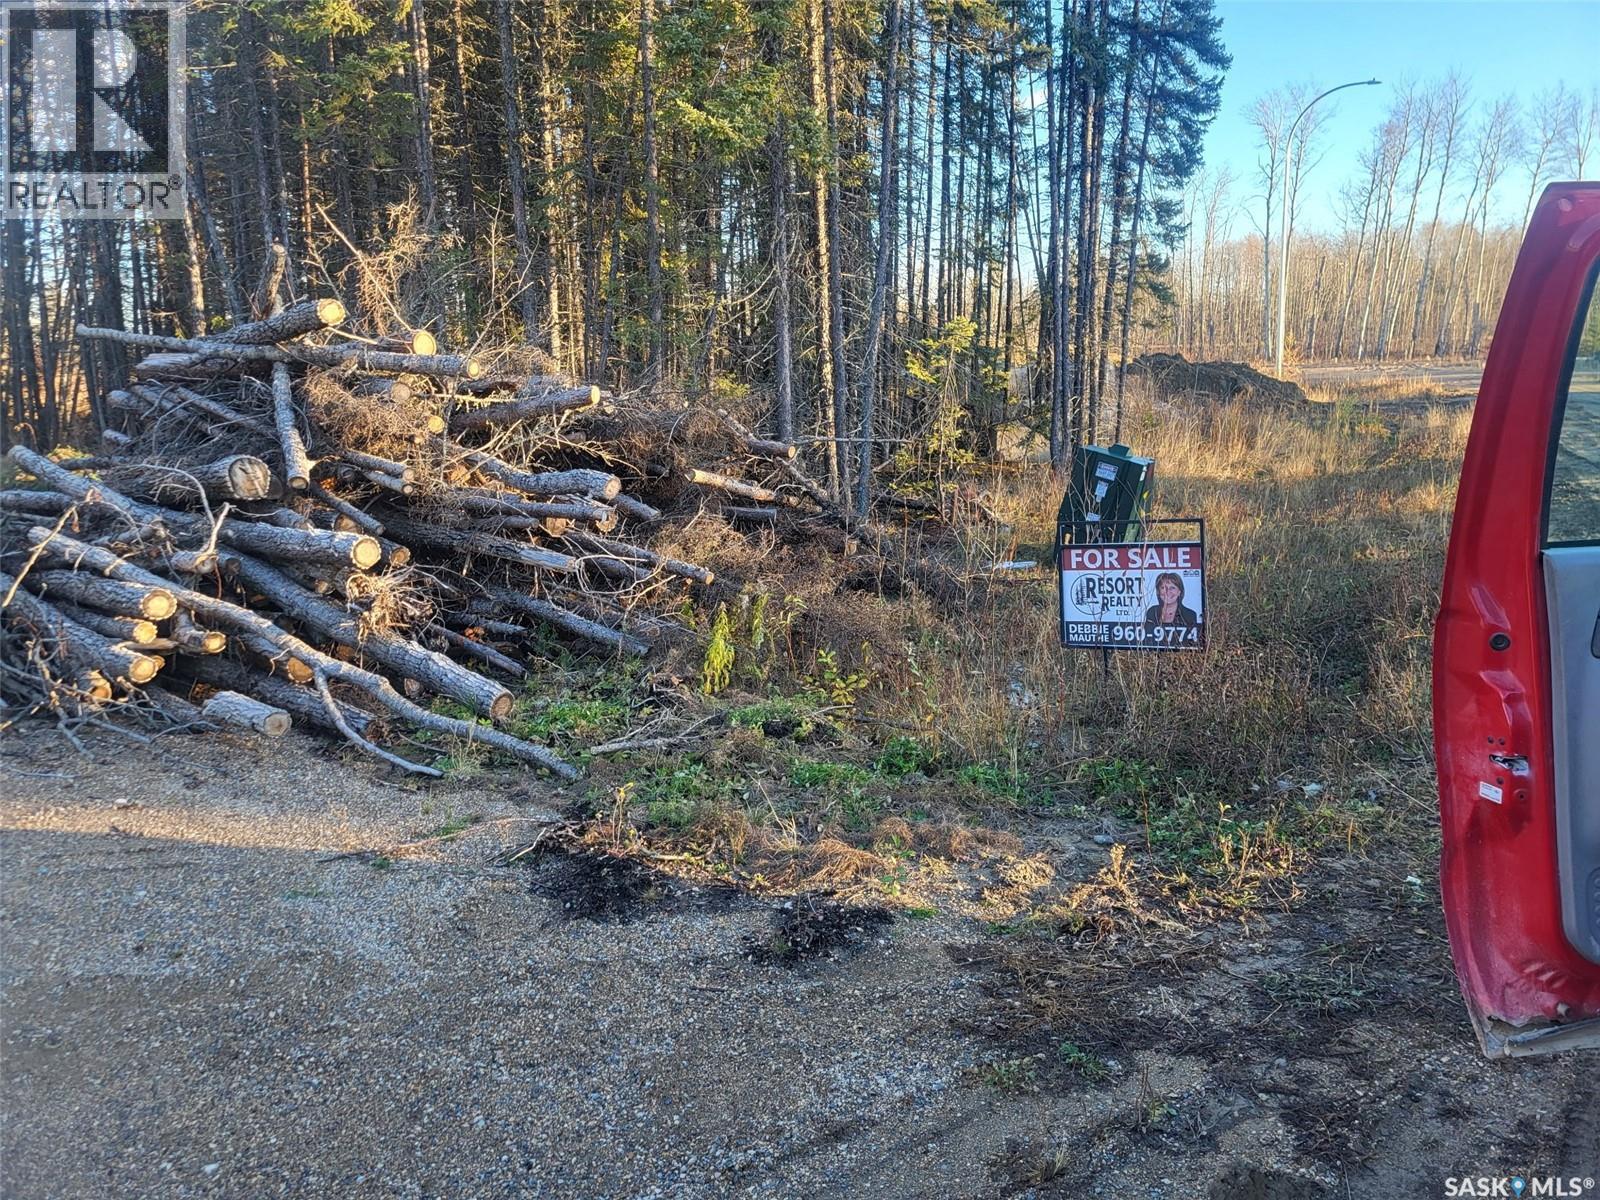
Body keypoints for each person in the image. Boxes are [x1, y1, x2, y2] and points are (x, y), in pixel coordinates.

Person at [1144, 571, 1198, 637]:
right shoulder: (1151, 612)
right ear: (1158, 591)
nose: (1167, 591)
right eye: (1163, 588)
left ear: (1179, 592)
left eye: (1172, 588)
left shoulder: (1190, 615)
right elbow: (1147, 639)